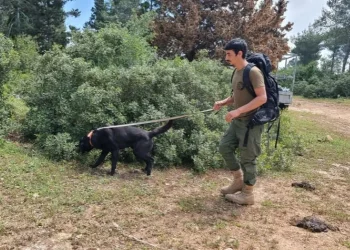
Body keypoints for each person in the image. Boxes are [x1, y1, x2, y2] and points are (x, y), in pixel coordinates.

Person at [213, 38, 267, 205]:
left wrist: (237, 111)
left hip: (250, 124)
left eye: (229, 54)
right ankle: (238, 181)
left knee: (247, 158)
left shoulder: (253, 72)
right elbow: (237, 95)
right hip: (238, 122)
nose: (226, 57)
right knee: (224, 147)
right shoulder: (236, 71)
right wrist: (224, 102)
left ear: (239, 53)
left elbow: (262, 98)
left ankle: (248, 194)